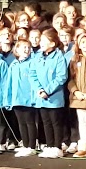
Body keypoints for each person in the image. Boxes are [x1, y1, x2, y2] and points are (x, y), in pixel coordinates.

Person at [31, 29, 69, 158]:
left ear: (52, 43)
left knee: (55, 123)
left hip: (54, 97)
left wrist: (47, 90)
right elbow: (33, 74)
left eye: (44, 40)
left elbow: (61, 76)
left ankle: (57, 147)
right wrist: (39, 89)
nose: (40, 43)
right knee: (46, 122)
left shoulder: (59, 56)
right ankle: (49, 145)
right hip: (41, 97)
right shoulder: (37, 56)